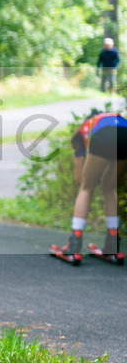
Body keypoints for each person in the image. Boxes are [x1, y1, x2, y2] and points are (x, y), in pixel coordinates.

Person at [57, 109, 127, 257]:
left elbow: (79, 178)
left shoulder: (84, 131)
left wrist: (91, 181)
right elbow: (118, 180)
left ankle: (74, 243)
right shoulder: (110, 118)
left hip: (104, 135)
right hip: (125, 131)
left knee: (86, 189)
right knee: (110, 187)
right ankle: (112, 244)